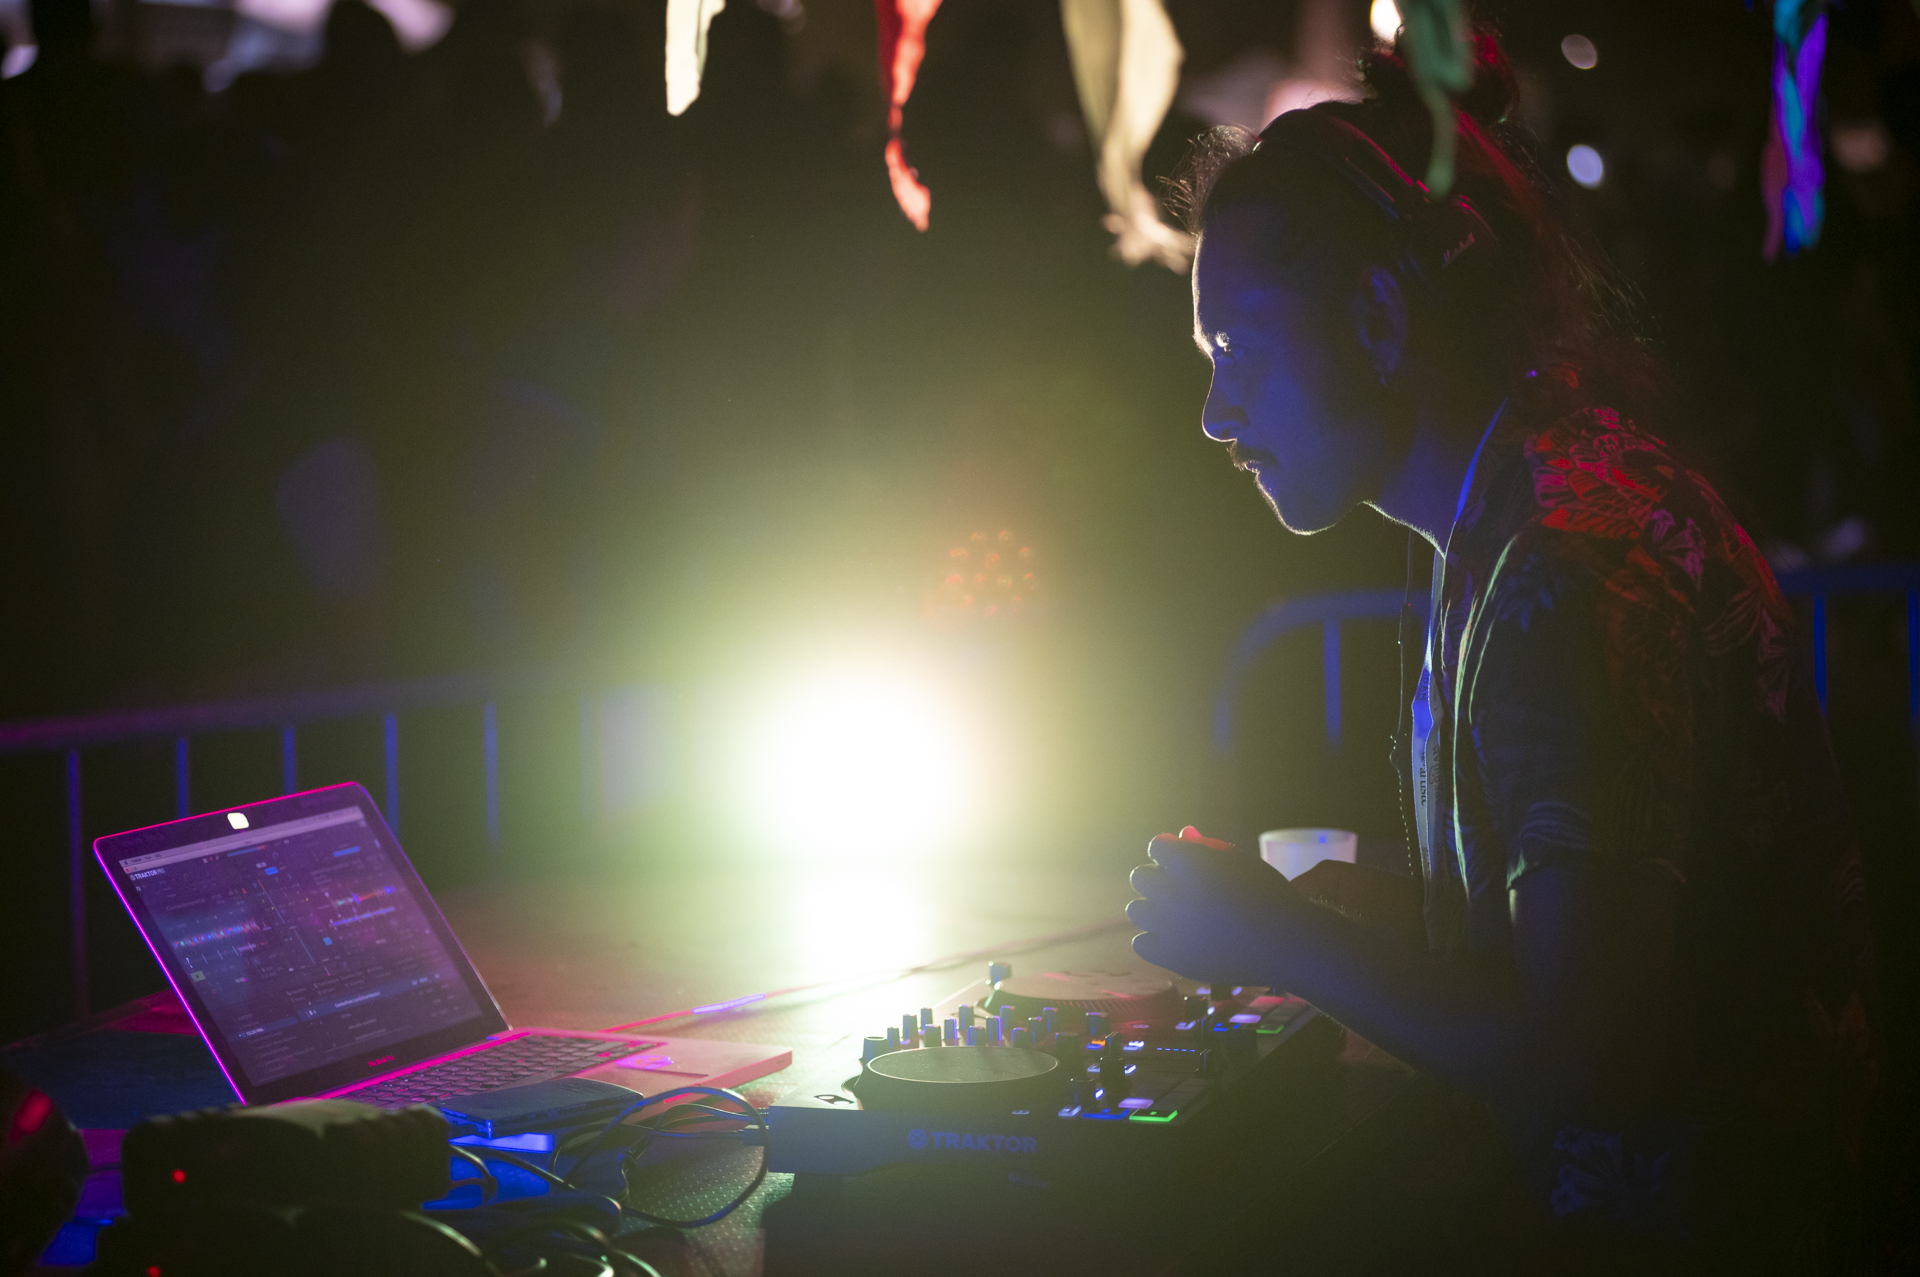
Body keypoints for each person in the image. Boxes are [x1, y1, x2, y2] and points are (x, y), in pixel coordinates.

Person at [1123, 30, 1886, 1270]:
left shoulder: (1566, 572)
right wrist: (1377, 908)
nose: (1218, 413)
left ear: (1378, 318)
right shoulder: (1513, 506)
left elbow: (1586, 1054)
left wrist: (1282, 936)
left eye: (1240, 352)